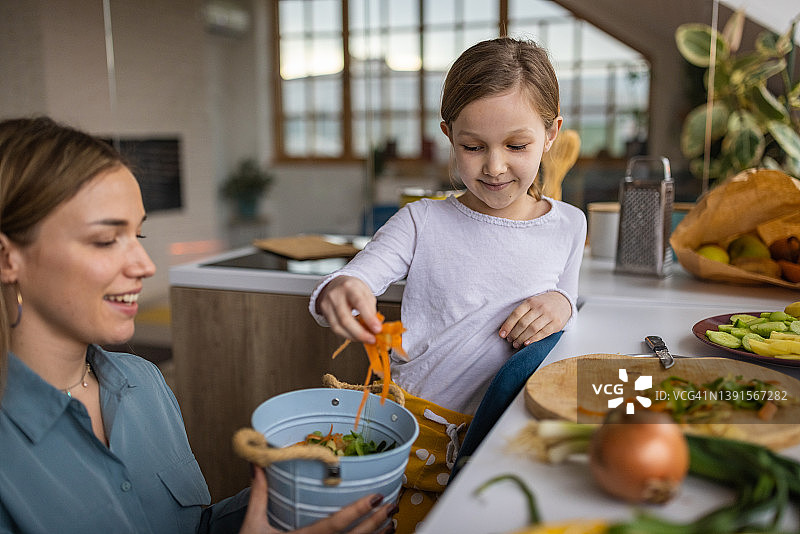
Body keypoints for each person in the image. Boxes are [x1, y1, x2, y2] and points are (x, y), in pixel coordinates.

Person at [0, 116, 396, 534]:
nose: (145, 266)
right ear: (8, 258)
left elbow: (193, 526)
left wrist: (298, 497)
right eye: (105, 240)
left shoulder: (143, 383)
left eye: (139, 237)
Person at [310, 37, 587, 532]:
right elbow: (356, 274)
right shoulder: (422, 222)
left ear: (551, 135)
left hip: (504, 433)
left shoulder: (569, 224)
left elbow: (566, 293)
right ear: (448, 135)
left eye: (517, 146)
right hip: (409, 432)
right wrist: (344, 290)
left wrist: (561, 303)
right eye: (473, 146)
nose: (495, 166)